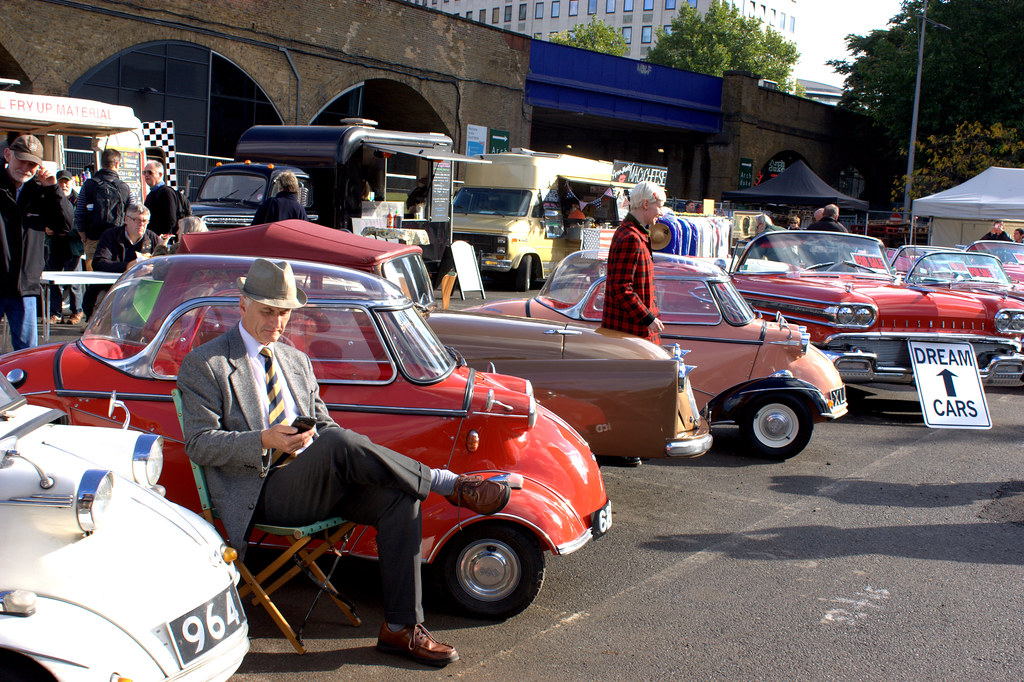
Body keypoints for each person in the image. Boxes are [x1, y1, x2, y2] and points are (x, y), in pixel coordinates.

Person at [177, 259, 514, 667]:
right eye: (268, 310)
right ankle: (448, 484)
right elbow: (199, 444)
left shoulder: (294, 360)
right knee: (338, 442)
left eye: (285, 312)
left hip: (314, 480)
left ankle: (400, 628)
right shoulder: (207, 363)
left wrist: (310, 438)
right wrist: (263, 438)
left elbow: (324, 425)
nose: (278, 321)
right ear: (242, 304)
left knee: (398, 497)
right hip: (261, 491)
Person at [599, 181, 665, 468]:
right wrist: (647, 318)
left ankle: (626, 444)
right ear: (646, 204)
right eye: (660, 205)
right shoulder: (629, 236)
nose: (661, 212)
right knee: (624, 392)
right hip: (629, 329)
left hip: (634, 328)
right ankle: (618, 446)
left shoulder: (636, 234)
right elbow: (620, 287)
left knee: (630, 392)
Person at [0, 134, 74, 349]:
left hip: (25, 288)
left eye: (32, 163)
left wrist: (53, 189)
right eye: (21, 160)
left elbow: (65, 225)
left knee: (26, 357)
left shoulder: (41, 192)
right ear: (7, 154)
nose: (25, 167)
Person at [74, 148, 133, 270]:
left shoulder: (89, 184)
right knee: (115, 276)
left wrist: (83, 236)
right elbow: (132, 213)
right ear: (117, 164)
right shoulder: (124, 187)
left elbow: (79, 213)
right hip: (117, 240)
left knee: (93, 277)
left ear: (101, 163)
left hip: (93, 238)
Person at [46, 170, 85, 325]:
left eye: (66, 181)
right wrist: (47, 229)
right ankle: (55, 313)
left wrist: (62, 230)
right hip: (54, 245)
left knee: (75, 282)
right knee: (53, 281)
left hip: (73, 246)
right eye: (61, 182)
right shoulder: (50, 199)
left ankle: (77, 311)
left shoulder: (79, 200)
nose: (64, 185)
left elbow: (80, 222)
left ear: (72, 183)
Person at [142, 160, 180, 236]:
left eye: (150, 172)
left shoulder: (166, 192)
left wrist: (163, 239)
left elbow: (171, 220)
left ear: (160, 174)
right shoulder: (151, 193)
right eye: (144, 172)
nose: (146, 175)